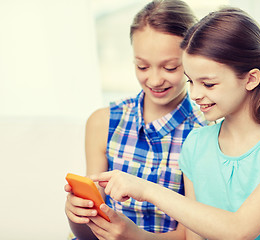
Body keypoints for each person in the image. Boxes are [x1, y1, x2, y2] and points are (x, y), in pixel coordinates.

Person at [90, 6, 260, 240]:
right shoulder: (196, 144)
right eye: (191, 81)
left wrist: (146, 190)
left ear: (251, 79)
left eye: (208, 84)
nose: (195, 94)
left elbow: (240, 230)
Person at [64, 0, 208, 239]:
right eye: (142, 66)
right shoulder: (103, 122)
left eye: (170, 68)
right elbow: (87, 231)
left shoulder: (204, 133)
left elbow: (192, 235)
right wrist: (76, 214)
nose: (154, 80)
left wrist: (133, 236)